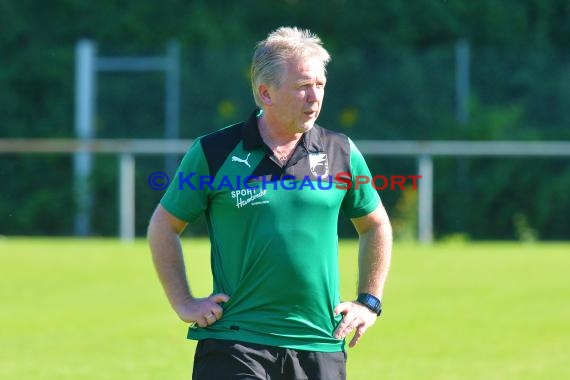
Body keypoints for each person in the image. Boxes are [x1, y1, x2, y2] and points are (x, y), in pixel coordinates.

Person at [148, 26, 392, 380]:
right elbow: (164, 225)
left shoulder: (341, 152)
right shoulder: (213, 152)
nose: (314, 97)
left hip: (321, 343)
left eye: (320, 85)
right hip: (236, 343)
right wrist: (184, 302)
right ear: (266, 93)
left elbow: (376, 224)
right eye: (302, 86)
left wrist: (369, 301)